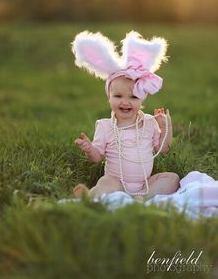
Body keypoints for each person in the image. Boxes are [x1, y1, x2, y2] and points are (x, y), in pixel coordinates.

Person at [71, 31, 180, 200]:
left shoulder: (150, 123)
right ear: (109, 97)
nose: (125, 102)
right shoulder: (105, 126)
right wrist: (89, 148)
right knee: (105, 182)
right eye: (118, 96)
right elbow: (97, 156)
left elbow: (162, 149)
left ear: (142, 98)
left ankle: (141, 197)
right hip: (117, 182)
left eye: (133, 97)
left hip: (144, 183)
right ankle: (90, 196)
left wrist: (166, 126)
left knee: (172, 178)